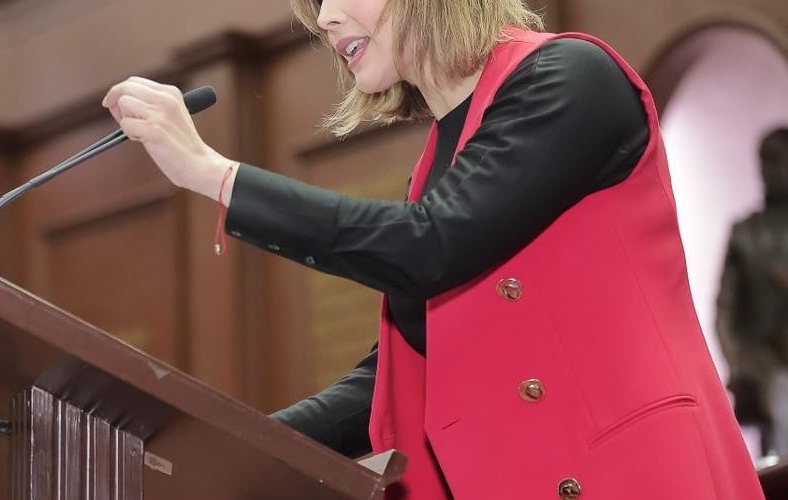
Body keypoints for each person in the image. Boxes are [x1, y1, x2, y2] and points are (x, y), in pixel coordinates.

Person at [101, 0, 763, 498]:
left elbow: (432, 243)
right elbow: (389, 377)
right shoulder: (434, 169)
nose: (326, 18)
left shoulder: (570, 76)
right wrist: (220, 448)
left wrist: (213, 174)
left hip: (639, 477)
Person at [718, 128, 788, 463]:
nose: (768, 169)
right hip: (768, 371)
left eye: (776, 159)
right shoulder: (746, 234)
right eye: (764, 161)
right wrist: (742, 364)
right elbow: (725, 312)